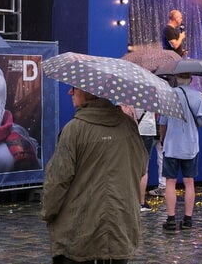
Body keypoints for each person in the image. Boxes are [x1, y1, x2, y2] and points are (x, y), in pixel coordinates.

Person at [42, 87, 147, 263]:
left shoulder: (74, 129)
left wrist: (49, 212)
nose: (70, 92)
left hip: (79, 227)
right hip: (120, 223)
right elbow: (141, 166)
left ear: (88, 92)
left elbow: (58, 179)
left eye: (74, 88)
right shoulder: (128, 125)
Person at [159, 73, 202, 232]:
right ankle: (188, 219)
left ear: (177, 79)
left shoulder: (169, 95)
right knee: (189, 182)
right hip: (190, 146)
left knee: (170, 182)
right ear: (191, 80)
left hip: (171, 145)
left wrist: (162, 138)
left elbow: (163, 122)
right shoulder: (198, 96)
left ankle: (171, 219)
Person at [136, 108, 158, 212]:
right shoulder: (152, 92)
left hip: (131, 128)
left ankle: (130, 200)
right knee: (144, 167)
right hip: (147, 129)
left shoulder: (127, 92)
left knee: (130, 164)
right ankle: (141, 202)